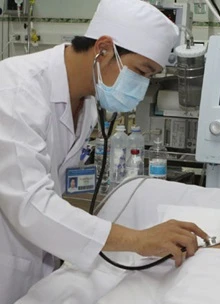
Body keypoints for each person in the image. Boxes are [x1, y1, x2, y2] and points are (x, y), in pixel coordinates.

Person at [0, 0, 208, 303]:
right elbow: (30, 203)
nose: (142, 86)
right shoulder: (15, 91)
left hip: (33, 261)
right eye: (142, 71)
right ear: (103, 49)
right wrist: (137, 239)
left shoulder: (84, 101)